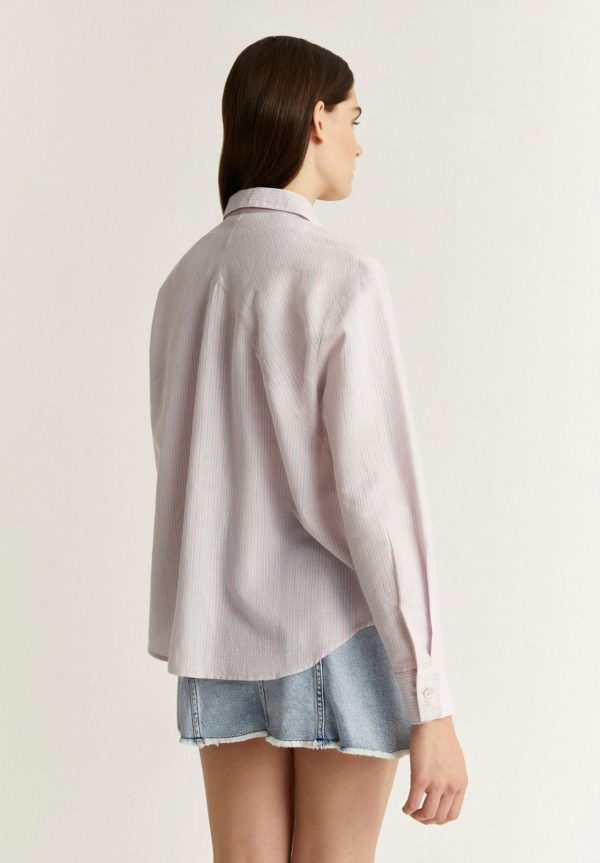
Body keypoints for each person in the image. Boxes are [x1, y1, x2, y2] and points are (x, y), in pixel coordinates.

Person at [148, 34, 468, 862]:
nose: (360, 143)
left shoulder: (183, 285)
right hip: (332, 626)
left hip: (217, 636)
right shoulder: (341, 276)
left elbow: (182, 473)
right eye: (355, 119)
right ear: (315, 119)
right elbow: (376, 499)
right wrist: (429, 699)